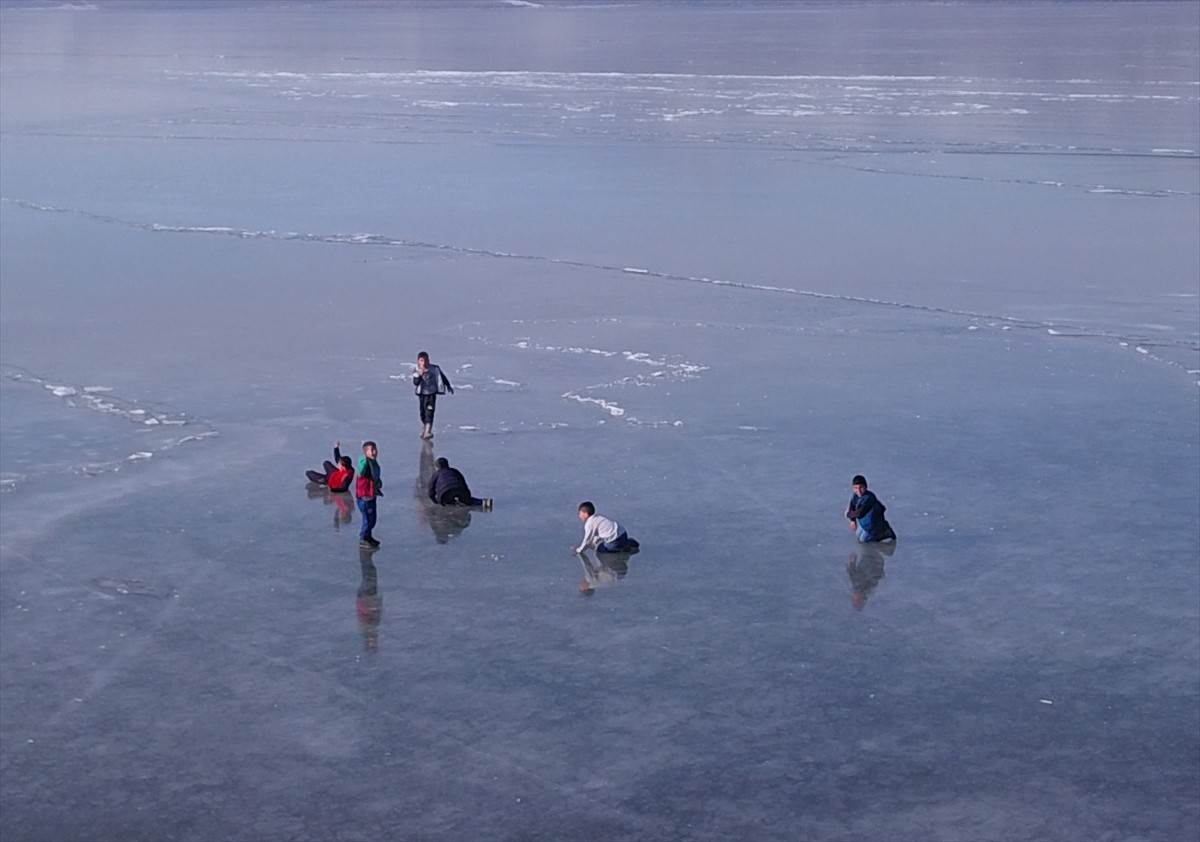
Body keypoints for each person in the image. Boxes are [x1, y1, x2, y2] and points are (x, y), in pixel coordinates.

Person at [412, 351, 454, 440]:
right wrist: (420, 374)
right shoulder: (416, 370)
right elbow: (415, 383)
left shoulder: (434, 369)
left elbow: (442, 377)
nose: (424, 363)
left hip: (431, 394)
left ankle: (428, 431)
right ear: (418, 361)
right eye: (422, 360)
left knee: (429, 412)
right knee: (422, 413)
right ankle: (425, 427)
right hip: (422, 395)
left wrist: (448, 385)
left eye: (426, 360)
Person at [571, 501, 640, 554]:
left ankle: (622, 548)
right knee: (619, 540)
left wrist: (579, 550)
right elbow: (601, 530)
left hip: (615, 540)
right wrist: (595, 541)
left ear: (586, 514)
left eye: (580, 513)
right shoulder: (598, 517)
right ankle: (628, 542)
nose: (579, 515)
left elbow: (587, 541)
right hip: (623, 533)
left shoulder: (589, 524)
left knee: (600, 548)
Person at [845, 474, 897, 543]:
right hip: (865, 524)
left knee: (863, 540)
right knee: (858, 535)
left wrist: (848, 514)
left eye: (861, 487)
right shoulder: (855, 495)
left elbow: (860, 513)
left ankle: (884, 533)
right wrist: (852, 520)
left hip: (874, 526)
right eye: (856, 488)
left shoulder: (869, 498)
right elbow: (852, 506)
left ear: (866, 487)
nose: (859, 490)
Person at [428, 456, 492, 509]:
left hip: (445, 492)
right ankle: (484, 502)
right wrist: (467, 495)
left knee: (449, 503)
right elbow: (463, 483)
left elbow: (431, 489)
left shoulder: (436, 474)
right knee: (468, 501)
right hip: (460, 489)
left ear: (437, 467)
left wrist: (435, 501)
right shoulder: (454, 471)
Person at [356, 440, 383, 549]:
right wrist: (364, 461)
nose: (373, 452)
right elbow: (362, 472)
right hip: (364, 497)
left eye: (374, 449)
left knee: (372, 519)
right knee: (367, 519)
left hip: (371, 496)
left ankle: (368, 536)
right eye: (370, 450)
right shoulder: (365, 462)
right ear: (365, 453)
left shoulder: (373, 463)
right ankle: (363, 538)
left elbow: (374, 476)